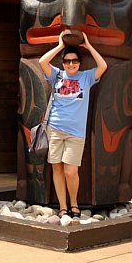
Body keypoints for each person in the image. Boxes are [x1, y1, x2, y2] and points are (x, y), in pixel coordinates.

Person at [38, 30, 108, 218]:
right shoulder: (57, 75)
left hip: (76, 132)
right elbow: (42, 62)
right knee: (57, 168)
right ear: (63, 63)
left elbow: (103, 65)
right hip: (55, 128)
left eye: (74, 61)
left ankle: (74, 204)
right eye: (67, 61)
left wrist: (88, 46)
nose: (71, 64)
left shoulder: (86, 77)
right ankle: (63, 207)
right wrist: (60, 46)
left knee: (70, 171)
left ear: (79, 63)